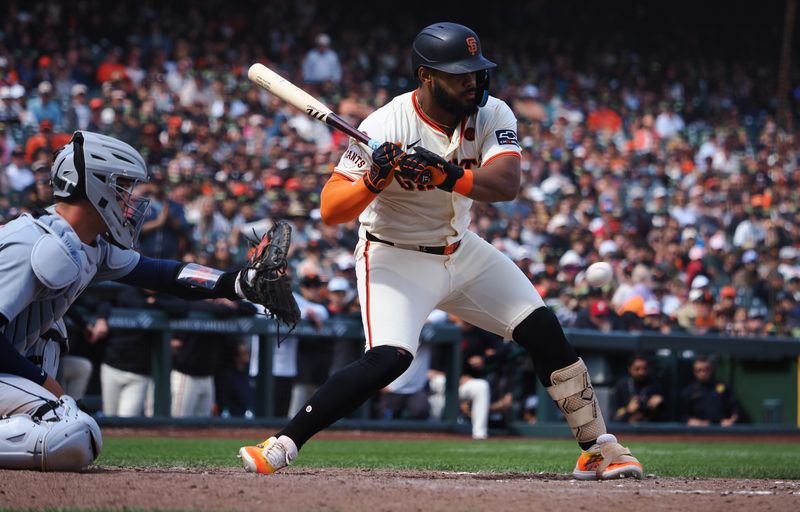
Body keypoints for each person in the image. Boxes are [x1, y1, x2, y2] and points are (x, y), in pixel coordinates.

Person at [239, 22, 642, 480]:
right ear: (426, 76)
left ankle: (598, 449)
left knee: (544, 330)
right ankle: (282, 443)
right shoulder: (385, 124)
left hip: (462, 249)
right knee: (389, 357)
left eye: (476, 71)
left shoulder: (493, 114)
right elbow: (332, 210)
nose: (473, 81)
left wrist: (443, 175)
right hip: (395, 256)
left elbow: (506, 184)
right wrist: (376, 178)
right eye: (459, 74)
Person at [0, 130, 297, 471]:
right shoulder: (36, 242)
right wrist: (44, 384)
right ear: (97, 185)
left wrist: (238, 284)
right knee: (73, 433)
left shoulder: (87, 245)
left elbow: (163, 275)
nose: (131, 200)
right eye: (123, 187)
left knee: (75, 427)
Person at [679, 355, 741, 427]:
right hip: (697, 430)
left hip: (721, 429)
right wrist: (691, 421)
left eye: (706, 370)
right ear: (694, 372)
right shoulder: (688, 391)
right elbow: (682, 415)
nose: (703, 373)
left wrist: (731, 420)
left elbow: (735, 409)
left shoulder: (723, 387)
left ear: (711, 369)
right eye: (698, 370)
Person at [611, 353, 665, 423]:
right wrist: (628, 410)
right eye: (637, 369)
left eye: (645, 368)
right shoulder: (622, 386)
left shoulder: (654, 384)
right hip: (626, 428)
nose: (641, 372)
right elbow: (614, 416)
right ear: (629, 369)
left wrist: (660, 402)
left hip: (651, 426)